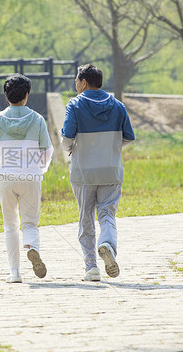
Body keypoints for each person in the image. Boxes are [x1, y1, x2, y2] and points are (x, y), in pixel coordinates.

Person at [61, 64, 134, 281]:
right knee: (107, 214)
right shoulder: (118, 106)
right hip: (111, 171)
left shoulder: (74, 105)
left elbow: (66, 139)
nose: (75, 85)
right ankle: (107, 245)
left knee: (85, 218)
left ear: (83, 83)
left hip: (83, 172)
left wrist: (70, 149)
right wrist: (110, 148)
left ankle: (91, 268)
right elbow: (129, 137)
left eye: (76, 81)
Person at [0, 74, 54, 283]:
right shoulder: (37, 119)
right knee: (30, 223)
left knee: (10, 225)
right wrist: (41, 168)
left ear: (6, 95)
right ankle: (32, 246)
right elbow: (48, 150)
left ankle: (15, 273)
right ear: (27, 95)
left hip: (5, 176)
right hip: (31, 176)